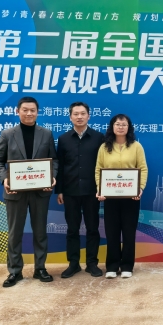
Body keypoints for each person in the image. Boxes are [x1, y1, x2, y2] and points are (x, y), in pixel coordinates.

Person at [0, 96, 58, 287]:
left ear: (37, 112)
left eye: (32, 110)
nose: (29, 113)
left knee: (40, 232)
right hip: (15, 192)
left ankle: (40, 268)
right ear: (17, 111)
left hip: (40, 191)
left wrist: (52, 176)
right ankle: (14, 271)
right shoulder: (7, 134)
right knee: (15, 233)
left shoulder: (46, 133)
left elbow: (54, 160)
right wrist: (5, 179)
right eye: (25, 110)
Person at [55, 102, 105, 278]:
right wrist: (59, 190)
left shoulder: (99, 138)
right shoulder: (63, 139)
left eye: (83, 113)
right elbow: (60, 166)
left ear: (89, 116)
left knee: (93, 229)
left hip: (92, 191)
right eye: (75, 114)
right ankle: (73, 264)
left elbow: (103, 165)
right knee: (72, 229)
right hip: (70, 191)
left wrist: (102, 188)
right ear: (70, 117)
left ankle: (92, 263)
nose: (79, 117)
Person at [95, 114, 148, 278]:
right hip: (110, 197)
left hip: (131, 197)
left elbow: (143, 168)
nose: (120, 127)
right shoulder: (104, 147)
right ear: (112, 127)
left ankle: (127, 266)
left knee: (129, 232)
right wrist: (100, 189)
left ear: (128, 127)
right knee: (111, 232)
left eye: (124, 124)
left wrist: (140, 188)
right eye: (117, 124)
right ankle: (112, 266)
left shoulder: (136, 146)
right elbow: (98, 169)